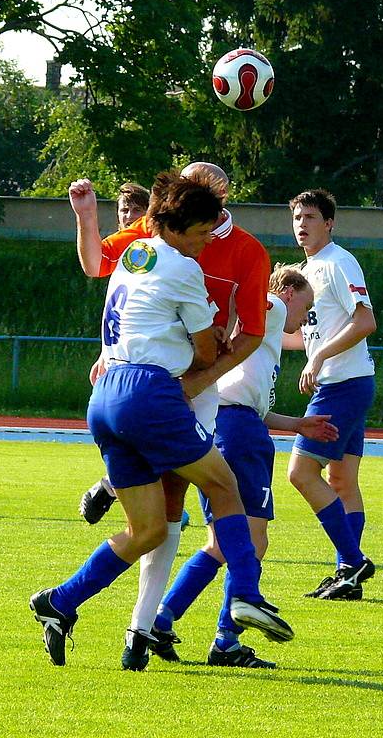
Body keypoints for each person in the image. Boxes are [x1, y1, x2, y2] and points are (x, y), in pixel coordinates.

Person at [29, 171, 293, 667]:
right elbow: (204, 347)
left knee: (148, 530)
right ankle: (247, 595)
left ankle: (59, 601)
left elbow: (103, 273)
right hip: (152, 393)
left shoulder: (136, 254)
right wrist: (207, 345)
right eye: (198, 235)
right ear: (176, 226)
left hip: (106, 393)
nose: (202, 245)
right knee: (224, 485)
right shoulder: (184, 268)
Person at [152, 265, 339, 669]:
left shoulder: (261, 342)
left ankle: (162, 618)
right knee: (254, 541)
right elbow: (249, 300)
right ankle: (226, 641)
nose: (303, 320)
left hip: (229, 425)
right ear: (288, 293)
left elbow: (254, 406)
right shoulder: (271, 306)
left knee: (220, 542)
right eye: (304, 308)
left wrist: (299, 424)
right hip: (240, 433)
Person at [79, 180, 191, 530]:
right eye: (122, 211)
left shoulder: (164, 241)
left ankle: (121, 490)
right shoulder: (134, 245)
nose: (127, 217)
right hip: (140, 366)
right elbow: (101, 273)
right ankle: (124, 491)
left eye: (134, 210)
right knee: (197, 459)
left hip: (160, 361)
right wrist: (86, 216)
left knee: (168, 440)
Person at [285, 188, 377, 600]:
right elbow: (305, 338)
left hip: (344, 384)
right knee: (341, 479)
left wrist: (319, 357)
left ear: (329, 223)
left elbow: (365, 321)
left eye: (310, 217)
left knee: (300, 473)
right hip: (349, 383)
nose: (301, 225)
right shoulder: (308, 270)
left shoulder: (339, 262)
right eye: (297, 218)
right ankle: (347, 573)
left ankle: (353, 561)